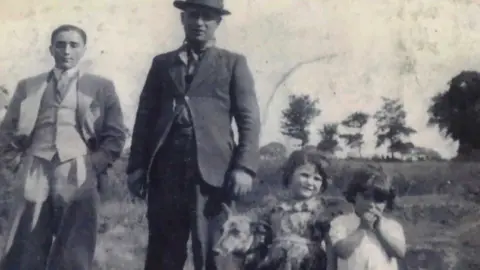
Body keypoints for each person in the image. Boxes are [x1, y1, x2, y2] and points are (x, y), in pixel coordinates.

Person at [125, 0, 261, 269]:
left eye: (207, 17)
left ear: (218, 22)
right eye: (193, 16)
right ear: (182, 19)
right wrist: (137, 168)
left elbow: (249, 119)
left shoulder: (233, 63)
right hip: (165, 171)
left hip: (213, 174)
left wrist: (245, 167)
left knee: (214, 249)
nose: (199, 23)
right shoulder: (163, 63)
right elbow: (144, 118)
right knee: (163, 252)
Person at [0, 24, 127, 270]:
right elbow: (6, 132)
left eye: (73, 45)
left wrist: (94, 164)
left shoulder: (101, 86)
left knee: (76, 245)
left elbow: (115, 134)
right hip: (34, 166)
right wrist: (15, 162)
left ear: (84, 50)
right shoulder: (29, 86)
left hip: (78, 168)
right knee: (25, 242)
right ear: (51, 49)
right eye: (60, 44)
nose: (66, 50)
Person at [255, 149, 335, 270]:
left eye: (316, 179)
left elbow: (330, 245)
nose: (310, 182)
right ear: (290, 175)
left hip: (309, 264)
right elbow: (262, 237)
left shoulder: (321, 210)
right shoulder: (276, 207)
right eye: (305, 175)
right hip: (276, 263)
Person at [329, 164, 407, 270]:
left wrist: (379, 231)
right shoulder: (341, 222)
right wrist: (362, 228)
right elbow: (342, 252)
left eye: (379, 200)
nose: (371, 204)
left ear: (387, 202)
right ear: (354, 196)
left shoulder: (392, 226)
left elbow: (400, 253)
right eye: (366, 197)